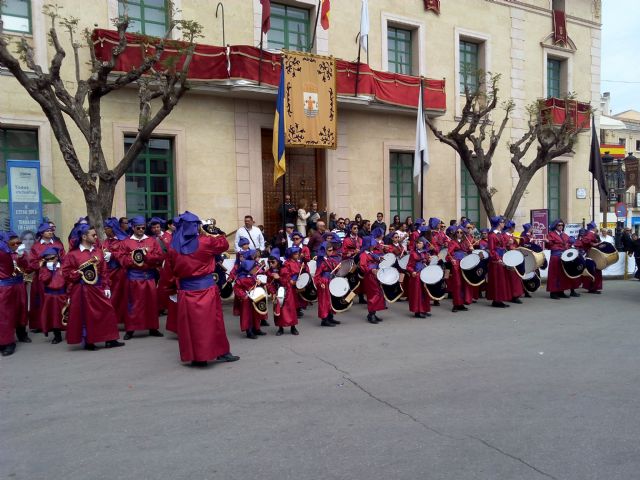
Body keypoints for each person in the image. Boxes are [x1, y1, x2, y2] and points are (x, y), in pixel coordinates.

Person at [161, 212, 238, 366]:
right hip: (206, 289)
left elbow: (168, 273)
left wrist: (169, 289)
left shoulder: (173, 248)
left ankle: (197, 356)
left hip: (185, 290)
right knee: (213, 324)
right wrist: (214, 231)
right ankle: (220, 352)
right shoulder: (205, 242)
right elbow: (224, 244)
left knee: (191, 326)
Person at [61, 225, 124, 351]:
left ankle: (110, 339)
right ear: (84, 237)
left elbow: (104, 271)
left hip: (98, 287)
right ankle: (89, 341)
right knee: (87, 315)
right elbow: (66, 273)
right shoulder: (72, 255)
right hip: (82, 289)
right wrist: (78, 273)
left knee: (107, 311)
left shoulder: (98, 251)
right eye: (93, 235)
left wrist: (106, 286)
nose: (96, 237)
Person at [117, 216, 164, 340]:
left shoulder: (151, 241)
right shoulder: (126, 242)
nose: (141, 230)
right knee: (133, 304)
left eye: (143, 228)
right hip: (134, 277)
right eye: (138, 228)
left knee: (151, 303)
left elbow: (159, 256)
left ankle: (153, 327)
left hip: (149, 276)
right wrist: (133, 260)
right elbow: (121, 258)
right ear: (133, 228)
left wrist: (147, 257)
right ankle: (131, 329)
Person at [0, 231, 29, 356]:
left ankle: (22, 333)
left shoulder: (18, 253)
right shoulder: (3, 253)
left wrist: (22, 256)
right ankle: (7, 342)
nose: (17, 244)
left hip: (19, 284)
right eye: (14, 242)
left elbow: (26, 267)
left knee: (21, 310)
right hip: (5, 287)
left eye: (18, 242)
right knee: (5, 315)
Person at [38, 247, 67, 344]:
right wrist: (49, 271)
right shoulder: (44, 268)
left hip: (62, 294)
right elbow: (43, 280)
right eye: (47, 259)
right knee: (53, 316)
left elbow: (69, 280)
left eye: (52, 258)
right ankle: (57, 335)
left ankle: (70, 333)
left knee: (66, 314)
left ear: (57, 257)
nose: (50, 260)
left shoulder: (63, 267)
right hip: (50, 295)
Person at [233, 259, 268, 339]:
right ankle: (249, 331)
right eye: (254, 267)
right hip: (246, 300)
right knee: (247, 315)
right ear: (248, 269)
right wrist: (244, 295)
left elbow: (259, 284)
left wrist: (260, 283)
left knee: (256, 314)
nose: (256, 268)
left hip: (255, 298)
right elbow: (237, 288)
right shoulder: (241, 279)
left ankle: (256, 328)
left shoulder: (254, 276)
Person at [102, 217, 127, 322]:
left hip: (120, 273)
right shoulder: (105, 241)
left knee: (120, 297)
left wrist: (113, 255)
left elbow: (126, 256)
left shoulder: (123, 240)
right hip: (108, 273)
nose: (105, 230)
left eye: (107, 228)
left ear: (113, 228)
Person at [546, 219, 577, 299]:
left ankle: (561, 291)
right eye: (559, 225)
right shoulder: (551, 234)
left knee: (562, 274)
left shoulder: (564, 235)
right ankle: (553, 293)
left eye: (562, 225)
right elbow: (549, 245)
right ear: (555, 226)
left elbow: (569, 243)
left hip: (564, 257)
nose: (561, 226)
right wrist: (548, 242)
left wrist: (572, 243)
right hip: (555, 257)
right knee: (554, 275)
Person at [360, 236, 386, 324]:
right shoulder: (364, 255)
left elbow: (375, 262)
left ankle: (373, 313)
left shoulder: (372, 253)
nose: (373, 246)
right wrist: (371, 270)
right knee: (373, 295)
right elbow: (363, 266)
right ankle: (371, 314)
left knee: (378, 293)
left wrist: (380, 260)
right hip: (369, 277)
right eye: (371, 245)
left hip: (375, 275)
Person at [313, 242, 341, 327]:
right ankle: (324, 320)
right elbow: (316, 276)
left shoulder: (331, 260)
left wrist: (338, 268)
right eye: (329, 250)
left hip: (331, 281)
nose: (331, 252)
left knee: (330, 300)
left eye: (332, 250)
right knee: (324, 302)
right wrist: (320, 282)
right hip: (324, 282)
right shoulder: (321, 262)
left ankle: (330, 317)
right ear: (325, 251)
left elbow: (335, 270)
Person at [275, 247, 301, 336]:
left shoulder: (298, 263)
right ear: (291, 255)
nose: (297, 255)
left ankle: (293, 327)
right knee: (282, 308)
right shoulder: (286, 264)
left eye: (298, 253)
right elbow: (285, 276)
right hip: (286, 288)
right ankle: (280, 328)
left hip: (294, 288)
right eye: (295, 254)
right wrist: (290, 280)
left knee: (292, 308)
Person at [487, 216, 511, 308]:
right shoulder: (492, 235)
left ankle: (499, 299)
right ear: (498, 224)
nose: (503, 224)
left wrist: (508, 243)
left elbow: (503, 246)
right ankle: (496, 300)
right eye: (502, 222)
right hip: (496, 261)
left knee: (501, 280)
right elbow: (492, 250)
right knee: (497, 281)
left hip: (502, 258)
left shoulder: (500, 234)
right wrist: (498, 259)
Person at [447, 226, 473, 312]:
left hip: (464, 263)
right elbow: (449, 254)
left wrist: (471, 250)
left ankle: (461, 304)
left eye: (461, 232)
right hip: (456, 264)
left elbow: (468, 253)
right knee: (457, 284)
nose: (459, 234)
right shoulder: (452, 242)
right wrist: (452, 260)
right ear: (455, 233)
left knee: (464, 283)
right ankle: (455, 304)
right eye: (457, 232)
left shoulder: (465, 242)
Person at [405, 236, 432, 318]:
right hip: (416, 275)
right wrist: (412, 271)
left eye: (420, 243)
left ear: (423, 244)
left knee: (425, 293)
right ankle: (417, 311)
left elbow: (427, 265)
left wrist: (429, 261)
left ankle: (424, 309)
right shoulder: (413, 254)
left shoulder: (426, 253)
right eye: (417, 243)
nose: (418, 244)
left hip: (424, 274)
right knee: (417, 293)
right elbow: (408, 266)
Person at [576, 221, 603, 294]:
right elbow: (586, 242)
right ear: (593, 228)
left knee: (591, 271)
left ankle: (591, 287)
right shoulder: (590, 234)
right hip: (592, 255)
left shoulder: (588, 234)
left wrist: (594, 244)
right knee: (595, 271)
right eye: (595, 227)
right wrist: (595, 244)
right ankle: (593, 288)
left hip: (590, 254)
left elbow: (586, 242)